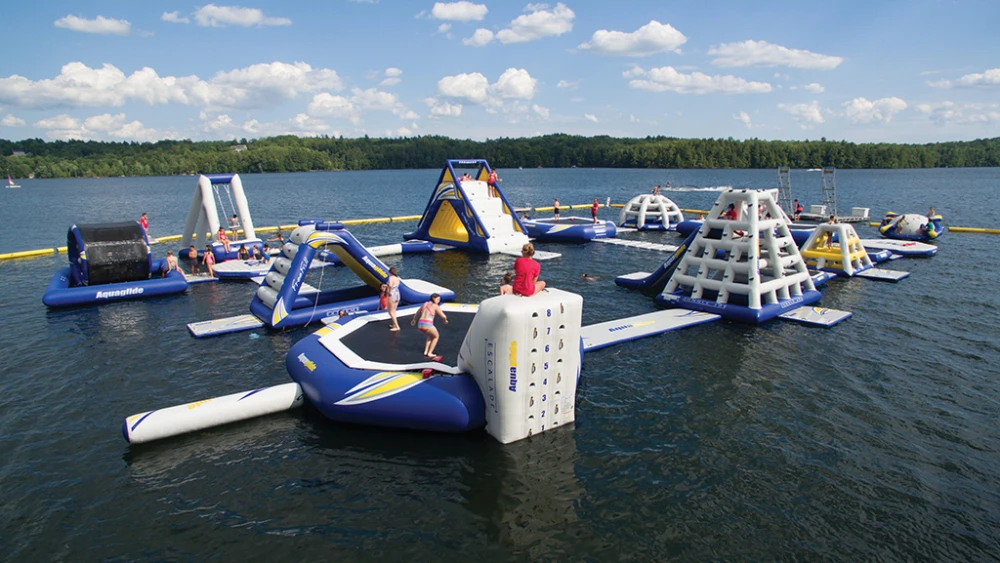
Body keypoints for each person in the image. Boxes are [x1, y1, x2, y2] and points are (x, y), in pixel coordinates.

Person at [411, 293, 448, 358]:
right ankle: (430, 353)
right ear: (433, 298)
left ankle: (426, 351)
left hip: (420, 324)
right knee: (436, 336)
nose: (439, 301)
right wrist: (445, 321)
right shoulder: (435, 306)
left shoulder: (425, 303)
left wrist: (414, 319)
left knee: (431, 335)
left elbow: (418, 311)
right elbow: (443, 316)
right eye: (438, 299)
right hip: (427, 324)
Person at [386, 266, 401, 331]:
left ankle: (397, 326)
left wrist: (388, 292)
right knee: (394, 311)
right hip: (397, 293)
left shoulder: (391, 278)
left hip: (392, 294)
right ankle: (394, 324)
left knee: (390, 311)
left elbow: (390, 286)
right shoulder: (397, 278)